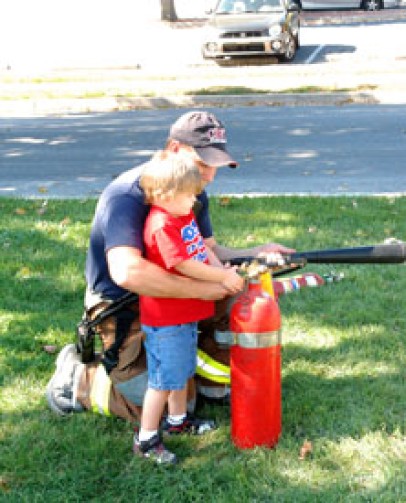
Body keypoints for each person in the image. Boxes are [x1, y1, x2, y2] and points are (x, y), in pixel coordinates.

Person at [45, 110, 294, 426]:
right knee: (168, 407)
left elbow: (209, 251)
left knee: (240, 300)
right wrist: (209, 287)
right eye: (203, 164)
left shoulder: (188, 191)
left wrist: (254, 256)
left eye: (215, 166)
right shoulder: (126, 195)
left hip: (175, 296)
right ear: (176, 149)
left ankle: (211, 386)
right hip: (124, 305)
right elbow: (128, 272)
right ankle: (79, 380)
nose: (210, 176)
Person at [134, 152, 246, 464]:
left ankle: (178, 421)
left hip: (184, 317)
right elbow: (184, 265)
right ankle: (146, 439)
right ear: (166, 195)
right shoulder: (161, 226)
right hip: (166, 321)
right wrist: (222, 278)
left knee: (182, 373)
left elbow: (201, 250)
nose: (194, 201)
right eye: (189, 195)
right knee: (163, 381)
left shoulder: (182, 216)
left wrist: (222, 269)